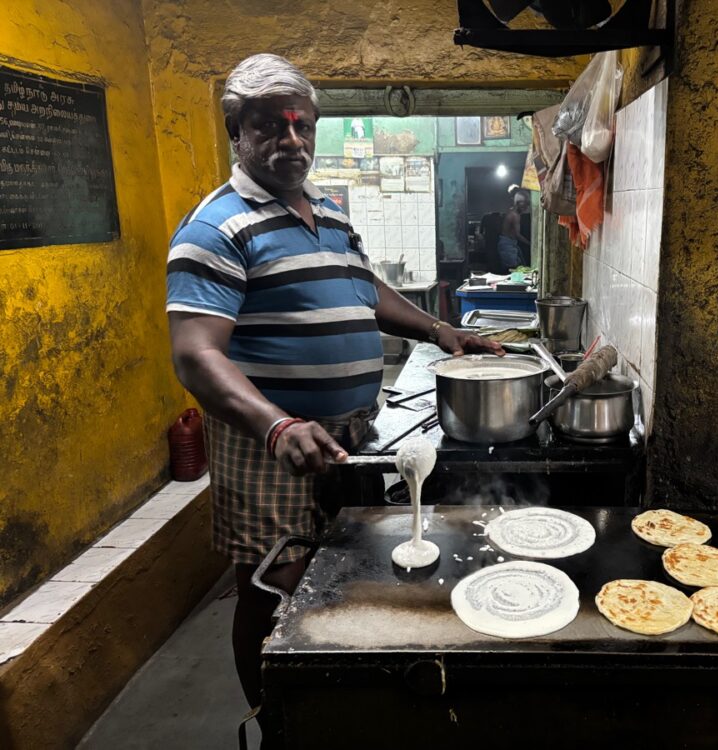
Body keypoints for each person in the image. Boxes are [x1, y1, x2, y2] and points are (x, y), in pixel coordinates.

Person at [165, 53, 501, 722]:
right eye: (270, 127)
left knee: (340, 578)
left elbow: (363, 289)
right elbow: (196, 355)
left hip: (349, 434)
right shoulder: (217, 227)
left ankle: (339, 716)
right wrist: (277, 425)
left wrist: (439, 331)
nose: (292, 141)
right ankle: (275, 721)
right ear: (238, 132)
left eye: (303, 126)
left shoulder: (327, 213)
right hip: (271, 446)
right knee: (273, 588)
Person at [498, 190, 530, 270]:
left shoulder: (512, 212)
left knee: (521, 267)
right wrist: (530, 244)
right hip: (507, 244)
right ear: (518, 203)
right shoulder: (515, 216)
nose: (527, 207)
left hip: (510, 243)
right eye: (526, 204)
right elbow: (517, 235)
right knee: (513, 269)